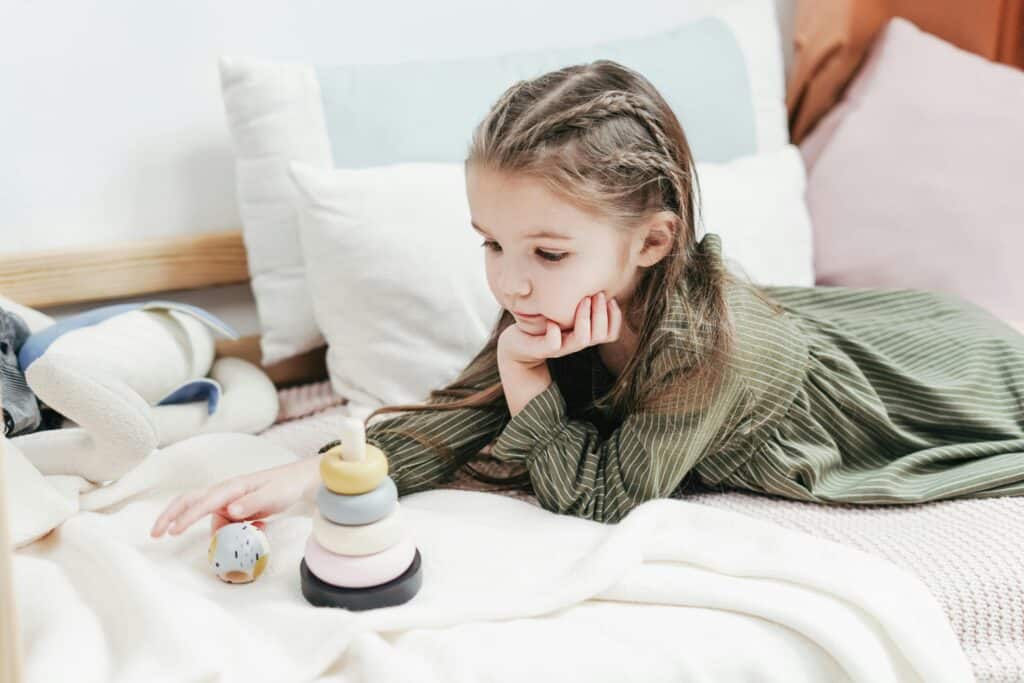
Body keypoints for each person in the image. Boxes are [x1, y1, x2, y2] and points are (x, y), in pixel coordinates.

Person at [152, 59, 1024, 538]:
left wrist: (532, 387)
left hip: (946, 374)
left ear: (651, 242)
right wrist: (309, 473)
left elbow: (604, 498)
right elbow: (463, 416)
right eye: (491, 242)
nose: (510, 278)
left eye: (545, 250)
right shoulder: (558, 295)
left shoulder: (706, 346)